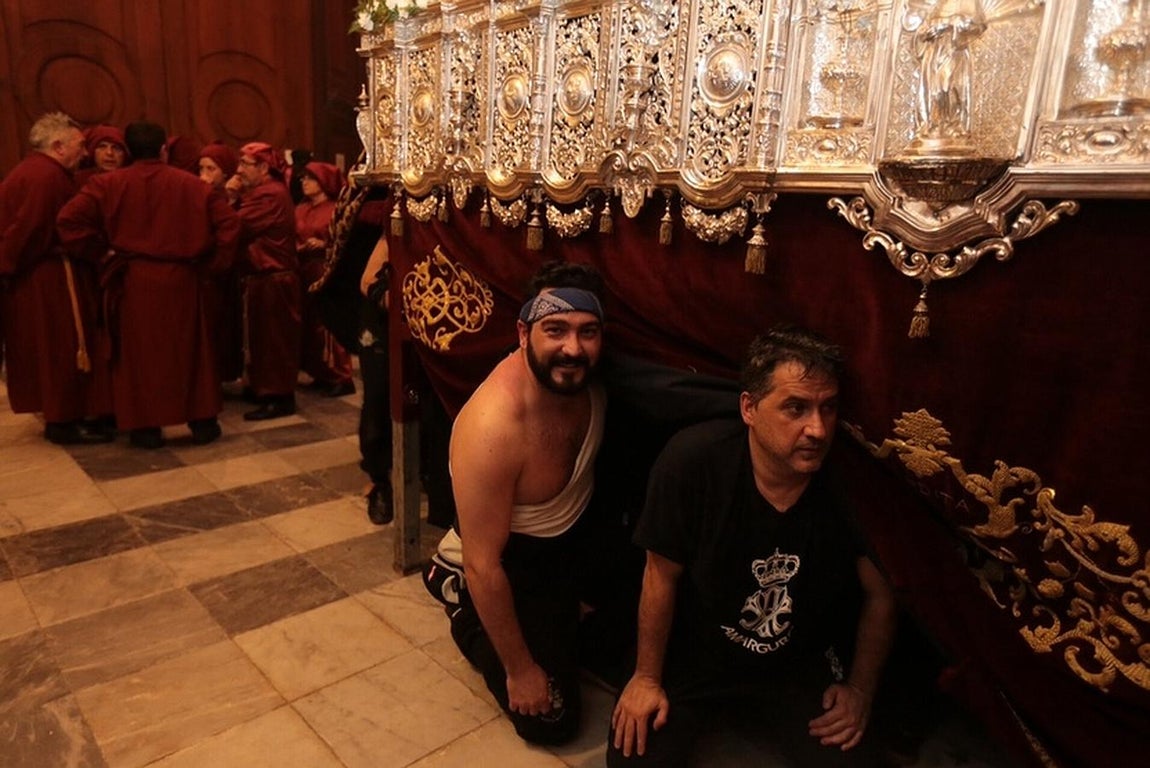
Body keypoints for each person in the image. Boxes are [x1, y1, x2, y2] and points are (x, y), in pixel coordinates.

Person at [608, 325, 897, 767]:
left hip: (796, 661)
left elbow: (881, 593)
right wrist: (646, 677)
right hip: (695, 654)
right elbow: (659, 574)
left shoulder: (849, 485)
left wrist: (859, 689)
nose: (817, 429)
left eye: (828, 408)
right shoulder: (693, 462)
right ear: (749, 407)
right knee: (634, 756)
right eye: (795, 408)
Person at [444, 262, 607, 746]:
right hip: (507, 564)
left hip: (569, 548)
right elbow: (483, 562)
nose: (573, 349)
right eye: (555, 330)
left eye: (588, 332)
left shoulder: (591, 382)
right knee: (551, 718)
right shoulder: (495, 427)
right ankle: (463, 614)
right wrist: (520, 671)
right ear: (523, 332)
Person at [57, 121, 241, 449]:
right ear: (162, 149)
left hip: (133, 280)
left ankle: (145, 428)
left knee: (139, 357)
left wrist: (100, 254)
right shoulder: (194, 186)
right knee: (190, 352)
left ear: (127, 150)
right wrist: (216, 265)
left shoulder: (107, 184)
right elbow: (229, 225)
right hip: (183, 279)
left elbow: (68, 221)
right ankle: (201, 422)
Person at [0, 111, 112, 444]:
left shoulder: (37, 171)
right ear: (58, 145)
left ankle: (65, 415)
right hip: (47, 278)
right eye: (80, 145)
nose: (86, 153)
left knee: (55, 346)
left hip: (39, 273)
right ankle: (62, 420)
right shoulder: (45, 177)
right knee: (60, 347)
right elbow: (30, 229)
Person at [234, 141, 302, 420]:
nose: (238, 171)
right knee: (263, 339)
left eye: (244, 164)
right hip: (265, 278)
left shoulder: (268, 195)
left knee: (274, 341)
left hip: (274, 277)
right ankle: (265, 389)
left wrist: (226, 193)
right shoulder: (263, 192)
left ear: (263, 167)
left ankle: (278, 396)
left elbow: (237, 225)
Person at [296, 161, 354, 397]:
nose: (304, 182)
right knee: (309, 324)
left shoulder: (334, 209)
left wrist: (323, 244)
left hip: (325, 269)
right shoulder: (300, 209)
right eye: (303, 178)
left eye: (310, 178)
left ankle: (340, 375)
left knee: (327, 326)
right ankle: (319, 371)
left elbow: (344, 238)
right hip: (303, 270)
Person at [198, 141, 244, 385]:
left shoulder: (226, 199)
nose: (204, 175)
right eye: (201, 168)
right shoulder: (202, 196)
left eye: (211, 169)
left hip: (222, 271)